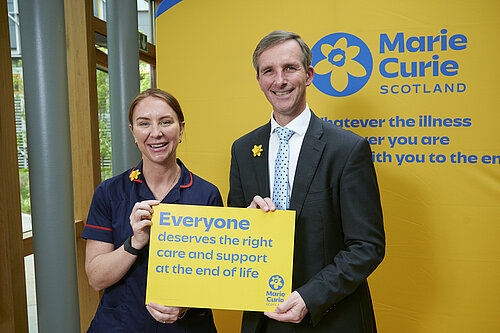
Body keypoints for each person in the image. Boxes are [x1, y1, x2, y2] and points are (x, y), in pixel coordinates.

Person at [228, 31, 385, 332]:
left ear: (309, 74)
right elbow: (234, 234)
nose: (280, 80)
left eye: (290, 68)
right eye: (268, 71)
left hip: (331, 317)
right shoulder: (243, 150)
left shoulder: (347, 149)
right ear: (259, 80)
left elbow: (367, 245)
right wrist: (244, 223)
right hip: (264, 319)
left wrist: (310, 297)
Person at [82, 88, 222, 332]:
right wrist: (134, 243)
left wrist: (186, 305)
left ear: (181, 128)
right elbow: (96, 278)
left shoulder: (206, 194)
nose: (156, 133)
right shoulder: (109, 193)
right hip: (121, 325)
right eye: (144, 123)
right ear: (133, 132)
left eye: (166, 122)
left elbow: (218, 276)